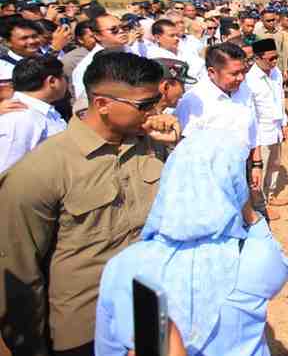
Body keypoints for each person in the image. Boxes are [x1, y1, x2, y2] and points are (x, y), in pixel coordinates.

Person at [0, 52, 179, 355]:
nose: (155, 111)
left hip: (152, 313)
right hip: (85, 331)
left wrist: (177, 146)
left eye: (157, 101)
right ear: (102, 104)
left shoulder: (153, 147)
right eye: (144, 105)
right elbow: (19, 273)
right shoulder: (40, 171)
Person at [94, 131, 288, 356]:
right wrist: (249, 212)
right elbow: (282, 271)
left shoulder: (123, 266)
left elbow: (108, 348)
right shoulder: (255, 257)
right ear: (236, 185)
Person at [174, 43, 262, 191]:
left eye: (243, 72)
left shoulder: (244, 90)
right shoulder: (193, 100)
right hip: (211, 178)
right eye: (234, 74)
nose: (241, 78)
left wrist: (257, 164)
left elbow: (253, 130)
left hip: (243, 167)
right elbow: (187, 149)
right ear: (212, 72)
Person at [245, 38, 288, 220]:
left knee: (275, 164)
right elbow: (249, 112)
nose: (274, 62)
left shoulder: (276, 73)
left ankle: (269, 196)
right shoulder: (250, 80)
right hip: (260, 132)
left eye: (276, 58)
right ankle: (259, 205)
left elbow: (280, 99)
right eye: (270, 59)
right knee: (258, 169)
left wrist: (284, 123)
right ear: (258, 58)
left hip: (276, 128)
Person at [0, 55, 68, 173]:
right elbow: (7, 173)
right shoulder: (20, 118)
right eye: (64, 77)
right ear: (52, 81)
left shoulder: (44, 111)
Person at [72, 13, 130, 101]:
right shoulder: (86, 66)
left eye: (124, 27)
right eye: (114, 29)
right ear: (97, 36)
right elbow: (85, 103)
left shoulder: (132, 51)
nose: (121, 31)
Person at [61, 21, 97, 94]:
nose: (98, 38)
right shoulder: (70, 61)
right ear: (80, 40)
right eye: (92, 36)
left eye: (99, 34)